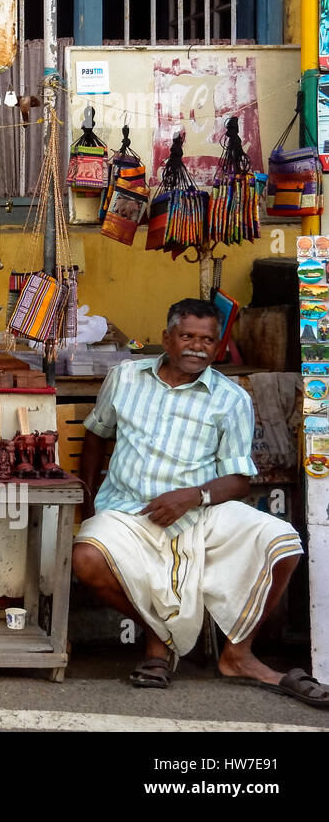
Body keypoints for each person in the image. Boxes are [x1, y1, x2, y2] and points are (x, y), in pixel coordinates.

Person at [74, 298, 327, 707]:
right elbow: (96, 434)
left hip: (200, 513)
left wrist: (193, 497)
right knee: (86, 557)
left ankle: (238, 654)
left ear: (216, 346)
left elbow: (240, 480)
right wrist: (87, 504)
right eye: (188, 336)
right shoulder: (124, 377)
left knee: (282, 541)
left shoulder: (231, 398)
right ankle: (160, 638)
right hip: (129, 512)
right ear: (167, 338)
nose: (197, 346)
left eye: (207, 340)